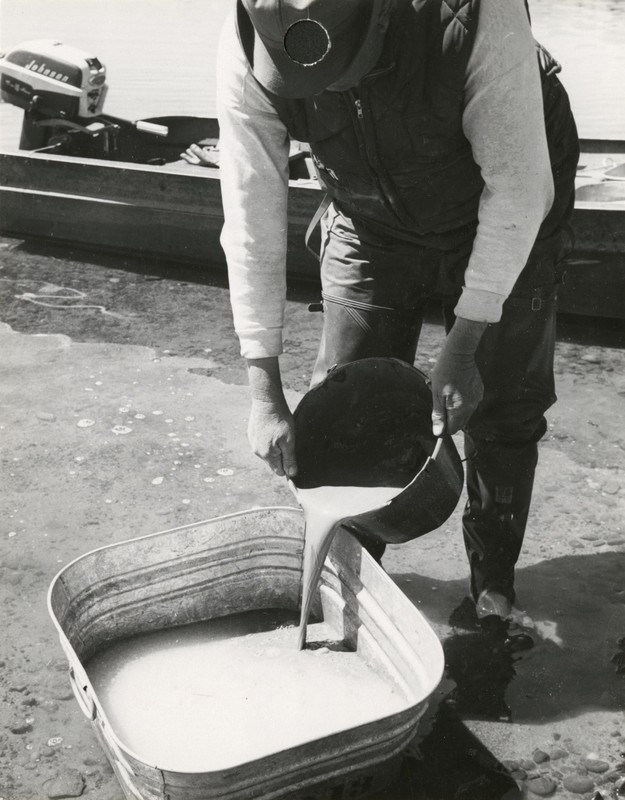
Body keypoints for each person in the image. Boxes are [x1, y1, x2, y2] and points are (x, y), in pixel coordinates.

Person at [209, 0, 579, 629]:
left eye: (342, 70)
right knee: (344, 400)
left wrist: (462, 347)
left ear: (380, 16)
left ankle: (492, 587)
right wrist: (263, 389)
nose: (328, 89)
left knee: (499, 403)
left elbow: (517, 190)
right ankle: (350, 586)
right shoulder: (250, 36)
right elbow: (249, 213)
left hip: (501, 183)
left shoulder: (476, 18)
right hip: (364, 204)